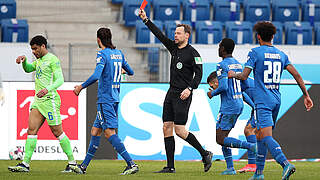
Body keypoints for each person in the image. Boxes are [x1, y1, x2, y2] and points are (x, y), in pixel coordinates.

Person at [228, 21, 313, 180]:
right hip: (276, 100)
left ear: (258, 36)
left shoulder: (255, 52)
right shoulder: (281, 54)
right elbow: (297, 75)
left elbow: (245, 76)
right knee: (260, 134)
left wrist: (233, 75)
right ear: (273, 36)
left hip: (263, 101)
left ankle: (285, 164)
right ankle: (258, 174)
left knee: (266, 136)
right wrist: (306, 95)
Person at [139, 9, 213, 173]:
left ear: (187, 35)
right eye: (175, 33)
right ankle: (170, 166)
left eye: (179, 33)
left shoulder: (194, 53)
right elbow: (160, 35)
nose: (175, 36)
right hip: (171, 93)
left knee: (179, 130)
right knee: (166, 127)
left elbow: (199, 74)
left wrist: (189, 89)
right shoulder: (173, 48)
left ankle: (205, 153)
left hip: (183, 94)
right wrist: (146, 20)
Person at [8, 35, 81, 173]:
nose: (34, 52)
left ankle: (72, 163)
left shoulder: (53, 60)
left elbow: (60, 80)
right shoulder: (39, 61)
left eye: (35, 49)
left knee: (57, 132)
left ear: (43, 46)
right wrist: (23, 61)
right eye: (32, 50)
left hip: (50, 100)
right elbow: (29, 69)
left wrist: (47, 89)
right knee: (31, 130)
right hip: (38, 101)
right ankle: (25, 164)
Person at [72, 27, 138, 175]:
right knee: (95, 131)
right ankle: (83, 166)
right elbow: (131, 72)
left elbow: (96, 75)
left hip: (105, 99)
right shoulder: (119, 54)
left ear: (98, 39)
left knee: (109, 133)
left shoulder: (102, 54)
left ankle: (131, 164)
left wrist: (81, 87)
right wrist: (119, 70)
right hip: (114, 98)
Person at [206, 38, 256, 175]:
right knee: (224, 137)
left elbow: (223, 86)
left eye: (219, 46)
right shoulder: (239, 65)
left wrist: (212, 93)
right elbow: (243, 87)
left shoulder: (221, 65)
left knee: (220, 138)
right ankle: (230, 168)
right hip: (239, 103)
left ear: (223, 49)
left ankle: (250, 146)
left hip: (228, 106)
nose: (218, 49)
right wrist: (251, 105)